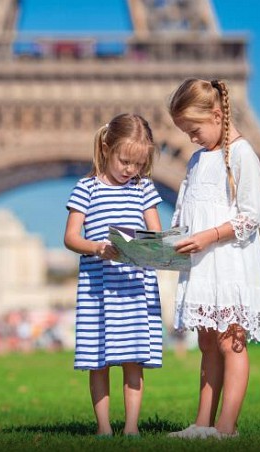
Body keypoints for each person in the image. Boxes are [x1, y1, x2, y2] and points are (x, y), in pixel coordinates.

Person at [167, 78, 260, 439]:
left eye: (194, 129)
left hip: (229, 262)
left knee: (231, 342)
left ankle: (226, 427)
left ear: (217, 114)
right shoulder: (197, 160)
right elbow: (184, 211)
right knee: (207, 343)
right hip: (203, 264)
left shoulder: (243, 154)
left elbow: (250, 216)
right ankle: (202, 425)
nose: (190, 138)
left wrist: (208, 235)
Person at [64, 113, 163, 436]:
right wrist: (97, 248)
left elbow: (156, 234)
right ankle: (103, 427)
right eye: (124, 161)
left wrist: (155, 248)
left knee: (134, 362)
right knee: (99, 361)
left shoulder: (144, 188)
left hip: (134, 288)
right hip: (100, 290)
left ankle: (131, 427)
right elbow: (71, 237)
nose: (130, 170)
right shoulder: (86, 188)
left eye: (138, 164)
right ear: (106, 147)